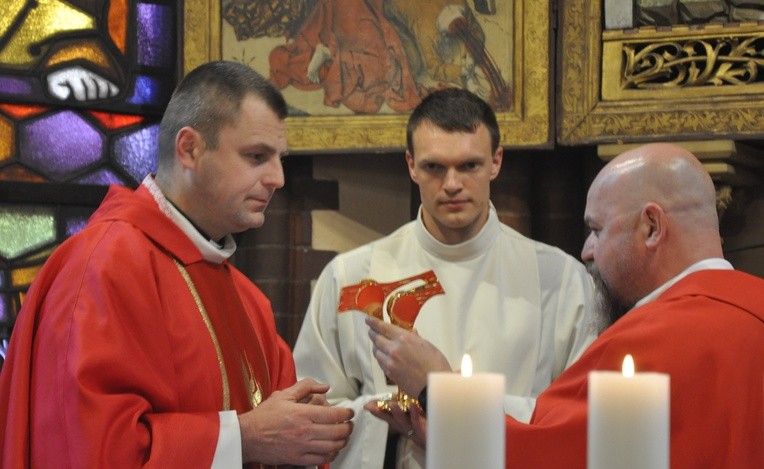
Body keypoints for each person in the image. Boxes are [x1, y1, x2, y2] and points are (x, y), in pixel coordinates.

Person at [0, 60, 353, 467]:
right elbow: (86, 449)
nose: (277, 178)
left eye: (280, 159)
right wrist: (243, 437)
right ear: (189, 149)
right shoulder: (104, 267)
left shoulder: (247, 300)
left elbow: (279, 438)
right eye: (257, 156)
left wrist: (305, 431)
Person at [369, 142, 764, 468]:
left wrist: (434, 386)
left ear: (651, 227)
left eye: (596, 230)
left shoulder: (653, 340)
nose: (586, 251)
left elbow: (542, 455)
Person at [293, 87, 595, 468]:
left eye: (469, 165)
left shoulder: (559, 276)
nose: (452, 183)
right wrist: (389, 420)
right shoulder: (352, 276)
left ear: (495, 162)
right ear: (411, 165)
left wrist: (442, 402)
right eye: (435, 167)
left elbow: (580, 412)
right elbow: (312, 414)